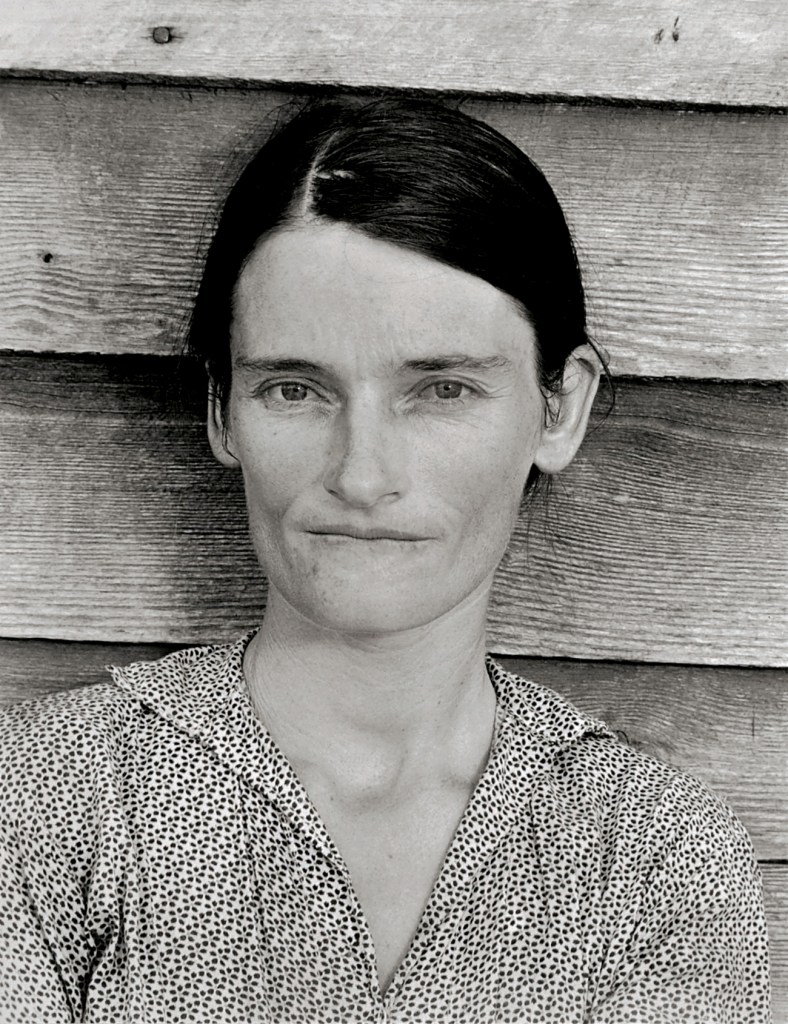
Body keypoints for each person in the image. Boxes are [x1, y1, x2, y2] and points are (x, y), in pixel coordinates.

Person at [0, 98, 771, 1023]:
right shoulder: (44, 800)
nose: (362, 474)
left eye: (441, 390)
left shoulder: (652, 856)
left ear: (559, 408)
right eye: (294, 388)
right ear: (221, 411)